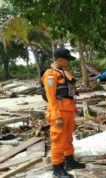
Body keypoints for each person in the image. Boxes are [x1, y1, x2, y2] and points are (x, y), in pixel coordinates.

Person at [42, 48, 85, 178]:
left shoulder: (65, 73)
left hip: (68, 110)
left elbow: (70, 94)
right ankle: (57, 168)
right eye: (67, 60)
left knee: (68, 138)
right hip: (58, 112)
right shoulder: (50, 75)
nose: (68, 63)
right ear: (60, 59)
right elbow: (51, 97)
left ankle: (69, 161)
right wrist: (56, 116)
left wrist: (75, 108)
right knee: (58, 140)